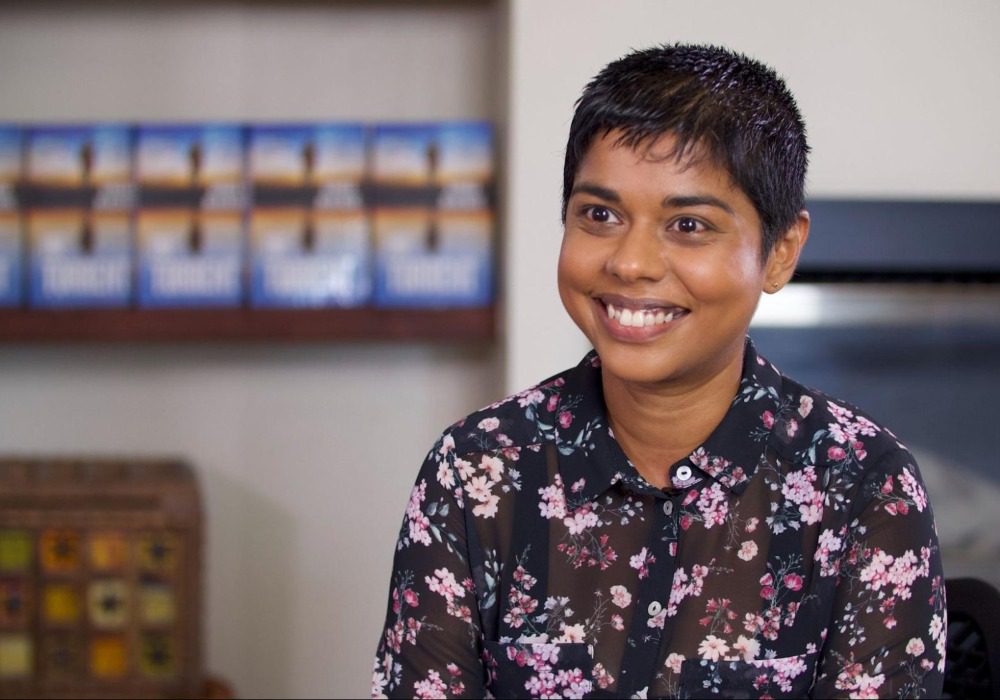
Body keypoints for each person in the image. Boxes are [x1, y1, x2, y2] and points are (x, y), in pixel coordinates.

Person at [371, 44, 945, 699]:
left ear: (781, 252)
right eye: (600, 215)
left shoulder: (864, 485)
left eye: (689, 224)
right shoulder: (476, 469)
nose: (631, 262)